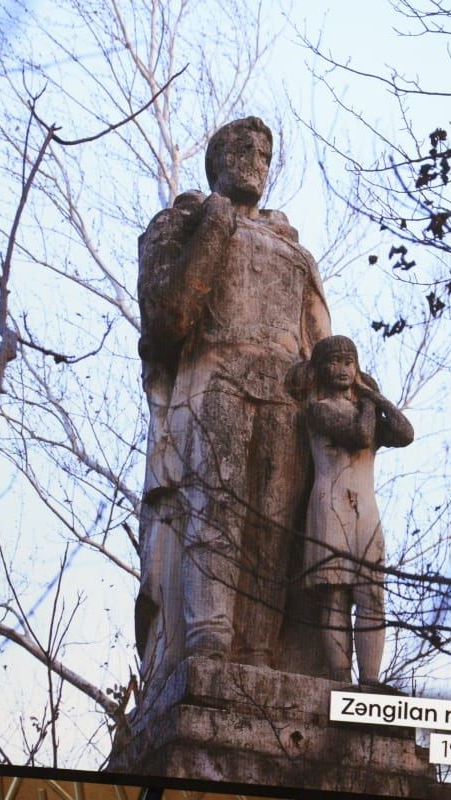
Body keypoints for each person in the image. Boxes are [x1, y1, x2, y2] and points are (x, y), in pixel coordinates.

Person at [134, 117, 331, 698]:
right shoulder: (183, 221)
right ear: (216, 157)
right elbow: (167, 319)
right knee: (214, 511)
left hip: (285, 397)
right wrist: (216, 220)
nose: (255, 158)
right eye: (242, 147)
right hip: (215, 379)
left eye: (265, 153)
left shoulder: (294, 250)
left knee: (275, 528)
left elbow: (322, 346)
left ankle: (262, 654)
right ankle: (207, 639)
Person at [292, 335, 413, 683]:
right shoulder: (320, 409)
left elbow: (405, 433)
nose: (342, 369)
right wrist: (370, 405)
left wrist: (377, 398)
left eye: (349, 361)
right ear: (320, 368)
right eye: (334, 361)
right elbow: (361, 436)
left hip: (366, 511)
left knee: (372, 594)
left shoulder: (368, 411)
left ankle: (372, 682)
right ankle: (341, 680)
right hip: (330, 506)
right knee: (336, 597)